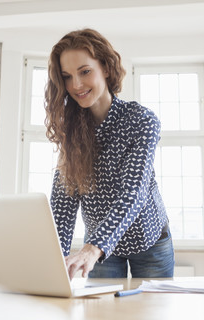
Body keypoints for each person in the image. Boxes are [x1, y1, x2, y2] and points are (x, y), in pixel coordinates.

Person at [44, 28, 174, 280]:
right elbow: (63, 203)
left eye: (85, 71)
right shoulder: (70, 132)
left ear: (105, 67)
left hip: (147, 241)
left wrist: (94, 248)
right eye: (67, 76)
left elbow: (133, 193)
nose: (77, 85)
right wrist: (54, 261)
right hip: (99, 249)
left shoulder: (141, 120)